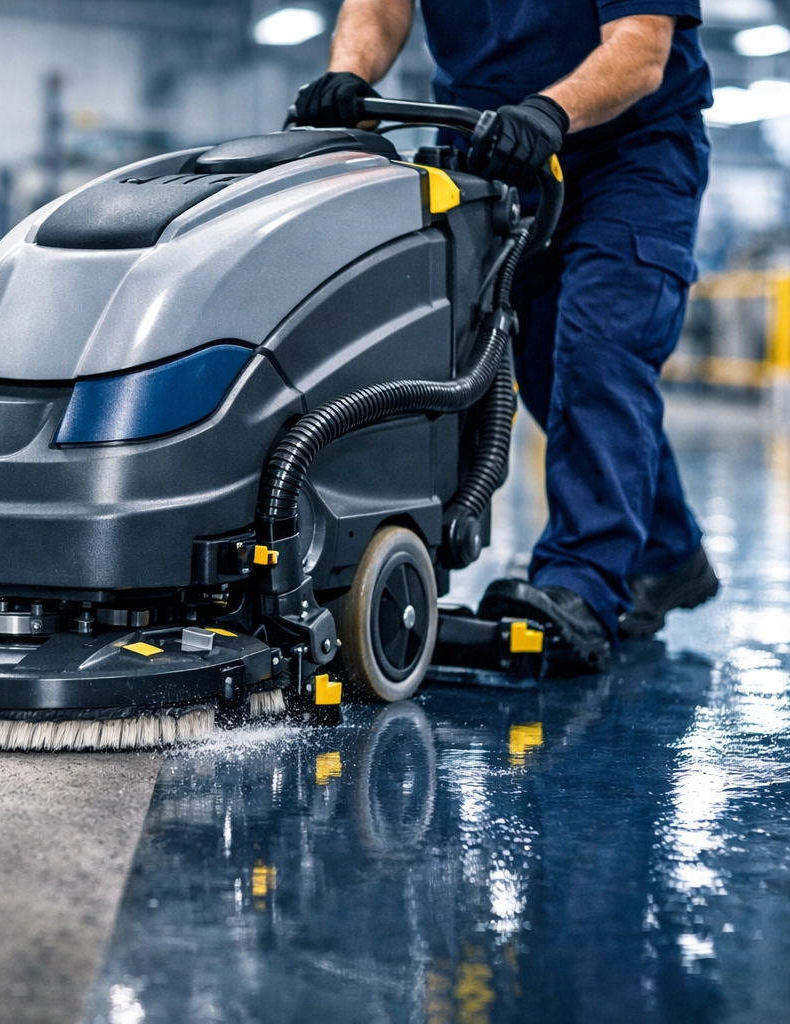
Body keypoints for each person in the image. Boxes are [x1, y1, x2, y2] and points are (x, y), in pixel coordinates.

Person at [291, 0, 722, 673]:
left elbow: (641, 48)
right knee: (546, 370)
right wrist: (351, 76)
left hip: (631, 154)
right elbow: (380, 6)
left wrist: (551, 111)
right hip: (499, 151)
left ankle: (581, 585)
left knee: (600, 356)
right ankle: (667, 555)